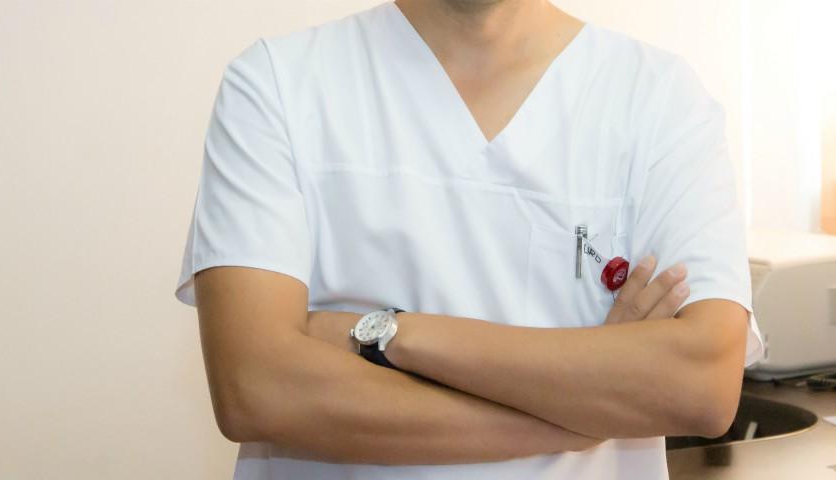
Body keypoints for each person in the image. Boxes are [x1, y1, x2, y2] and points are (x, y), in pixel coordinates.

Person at [173, 1, 765, 478]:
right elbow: (258, 389)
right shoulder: (277, 85)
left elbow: (703, 386)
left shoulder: (659, 99)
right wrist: (580, 418)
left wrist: (391, 334)